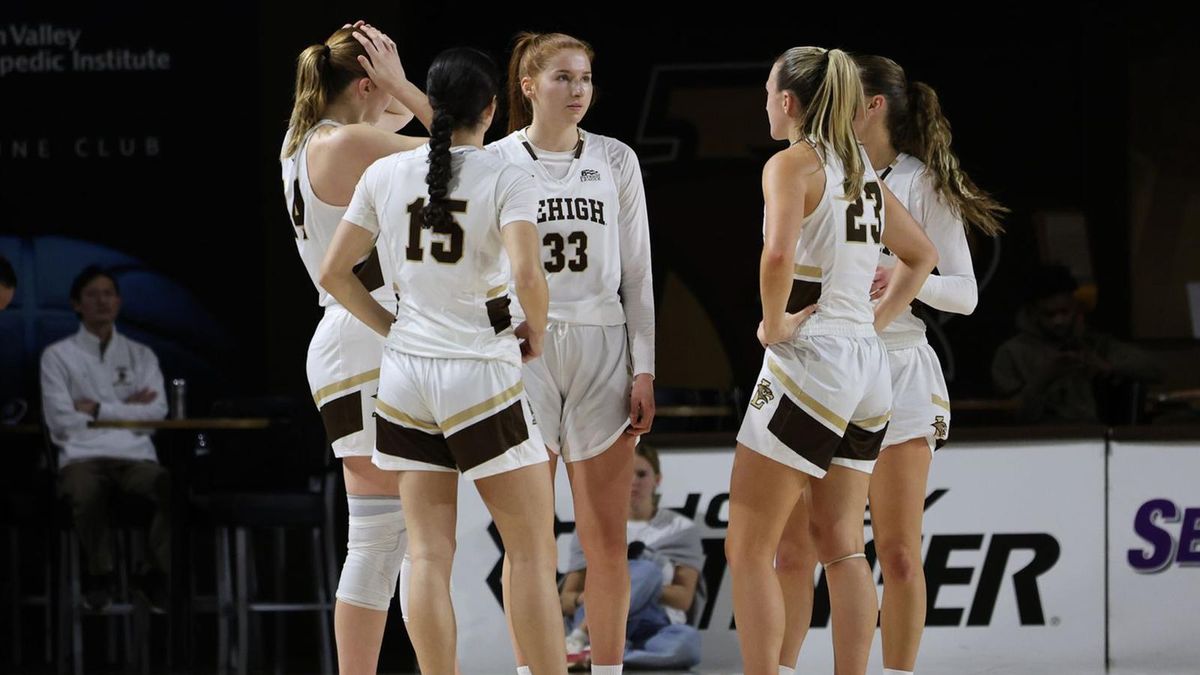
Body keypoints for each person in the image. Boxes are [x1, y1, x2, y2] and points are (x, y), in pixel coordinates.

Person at [319, 43, 565, 675]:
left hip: (405, 380)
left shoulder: (383, 175)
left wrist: (391, 327)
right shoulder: (506, 172)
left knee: (426, 556)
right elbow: (530, 277)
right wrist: (534, 331)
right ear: (491, 108)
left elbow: (334, 273)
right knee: (532, 552)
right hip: (478, 370)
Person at [775, 53, 1007, 675]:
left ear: (872, 105)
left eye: (848, 91)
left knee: (899, 552)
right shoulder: (813, 169)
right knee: (797, 548)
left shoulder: (918, 183)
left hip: (898, 365)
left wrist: (905, 275)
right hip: (825, 362)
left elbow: (964, 292)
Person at [725, 47, 937, 675]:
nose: (765, 103)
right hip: (869, 368)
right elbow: (920, 255)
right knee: (842, 547)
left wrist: (770, 323)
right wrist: (871, 324)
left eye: (768, 93)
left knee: (748, 547)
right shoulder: (862, 169)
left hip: (812, 358)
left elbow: (776, 257)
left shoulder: (793, 164)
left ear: (787, 102)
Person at [280, 21, 426, 675]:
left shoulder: (304, 138)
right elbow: (470, 146)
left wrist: (381, 82)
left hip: (354, 339)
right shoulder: (346, 141)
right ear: (366, 82)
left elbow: (394, 117)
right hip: (367, 337)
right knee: (386, 535)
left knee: (393, 535)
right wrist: (400, 82)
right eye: (380, 84)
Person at [40, 266, 171, 610]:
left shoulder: (141, 355)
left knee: (166, 487)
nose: (102, 301)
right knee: (85, 491)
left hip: (135, 456)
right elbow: (62, 422)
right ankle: (100, 574)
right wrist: (127, 410)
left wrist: (98, 410)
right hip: (81, 457)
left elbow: (156, 415)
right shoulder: (57, 357)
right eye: (93, 295)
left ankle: (154, 574)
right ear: (76, 304)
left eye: (109, 294)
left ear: (119, 301)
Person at [560, 444, 703, 670]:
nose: (634, 481)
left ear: (657, 479)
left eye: (642, 474)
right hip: (599, 619)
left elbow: (684, 598)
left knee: (688, 644)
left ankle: (591, 655)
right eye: (627, 474)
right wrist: (596, 595)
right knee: (644, 570)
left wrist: (637, 584)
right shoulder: (593, 525)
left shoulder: (681, 529)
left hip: (654, 624)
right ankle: (585, 638)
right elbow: (566, 599)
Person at [992, 264, 1162, 424]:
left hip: (1097, 435)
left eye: (1064, 312)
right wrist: (1045, 378)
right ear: (1033, 313)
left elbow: (1155, 369)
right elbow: (1013, 415)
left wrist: (1109, 367)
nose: (1058, 321)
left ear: (1076, 308)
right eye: (1049, 314)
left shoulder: (1097, 344)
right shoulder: (1012, 353)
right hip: (1043, 441)